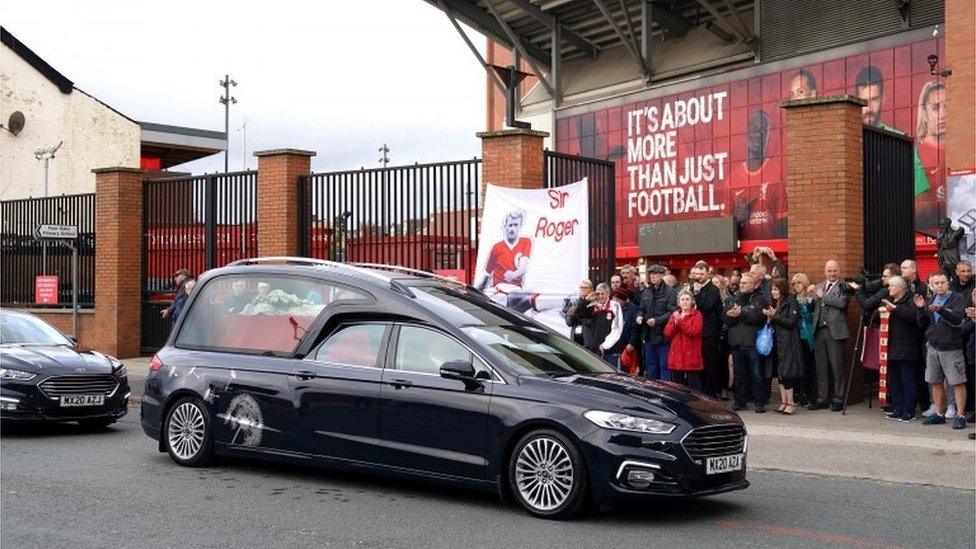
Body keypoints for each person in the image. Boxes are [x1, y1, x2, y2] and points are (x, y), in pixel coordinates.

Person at [920, 272, 969, 429]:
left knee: (957, 382)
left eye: (942, 282)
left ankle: (960, 415)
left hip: (951, 347)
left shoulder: (957, 298)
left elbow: (958, 319)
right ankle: (939, 413)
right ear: (932, 285)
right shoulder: (930, 299)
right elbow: (922, 324)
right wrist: (921, 309)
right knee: (935, 381)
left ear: (948, 283)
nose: (939, 285)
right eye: (936, 283)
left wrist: (941, 310)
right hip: (933, 346)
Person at [881, 276, 926, 422]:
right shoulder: (889, 299)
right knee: (894, 381)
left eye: (892, 286)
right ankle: (897, 408)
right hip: (891, 345)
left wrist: (895, 309)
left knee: (907, 380)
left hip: (907, 347)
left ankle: (909, 411)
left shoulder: (910, 300)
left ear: (900, 288)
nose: (889, 289)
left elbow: (911, 317)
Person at [809, 259, 851, 412]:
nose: (832, 273)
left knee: (837, 366)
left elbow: (842, 303)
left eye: (834, 271)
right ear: (825, 272)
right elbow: (813, 305)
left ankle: (839, 399)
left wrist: (823, 296)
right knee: (821, 367)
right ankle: (822, 398)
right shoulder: (819, 286)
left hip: (836, 332)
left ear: (838, 271)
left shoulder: (844, 286)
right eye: (829, 271)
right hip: (819, 331)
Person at [724, 272, 768, 412]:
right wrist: (735, 315)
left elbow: (758, 316)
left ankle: (759, 402)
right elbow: (726, 317)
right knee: (738, 375)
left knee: (756, 374)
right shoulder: (734, 297)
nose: (741, 285)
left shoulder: (760, 298)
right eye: (741, 282)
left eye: (744, 283)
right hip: (736, 342)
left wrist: (741, 313)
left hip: (752, 342)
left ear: (754, 285)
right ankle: (739, 401)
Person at [764, 278, 804, 415]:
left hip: (788, 342)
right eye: (772, 289)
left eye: (775, 289)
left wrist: (774, 316)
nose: (773, 292)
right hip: (778, 341)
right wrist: (770, 318)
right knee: (780, 373)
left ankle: (791, 403)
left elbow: (791, 322)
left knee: (787, 373)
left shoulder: (791, 301)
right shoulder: (776, 302)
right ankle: (784, 401)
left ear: (782, 289)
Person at [636, 264, 678, 381]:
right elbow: (641, 308)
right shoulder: (647, 292)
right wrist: (639, 316)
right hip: (649, 335)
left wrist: (657, 321)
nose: (653, 276)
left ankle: (665, 393)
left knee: (664, 366)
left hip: (663, 336)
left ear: (662, 275)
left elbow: (672, 312)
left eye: (656, 274)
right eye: (651, 274)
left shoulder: (670, 292)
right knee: (651, 367)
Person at [693, 264, 725, 398]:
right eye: (697, 274)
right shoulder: (693, 287)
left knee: (710, 364)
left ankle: (711, 393)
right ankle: (702, 391)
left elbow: (705, 308)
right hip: (697, 332)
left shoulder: (713, 289)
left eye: (701, 274)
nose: (698, 277)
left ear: (708, 274)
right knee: (699, 364)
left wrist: (697, 294)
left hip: (710, 333)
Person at [664, 290, 704, 388]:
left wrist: (680, 322)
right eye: (682, 299)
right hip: (677, 355)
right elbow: (667, 333)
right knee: (678, 386)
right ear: (679, 302)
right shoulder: (674, 315)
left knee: (694, 386)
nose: (685, 302)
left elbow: (694, 332)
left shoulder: (697, 315)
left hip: (691, 354)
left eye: (687, 299)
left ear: (692, 301)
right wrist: (675, 323)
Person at [791, 273, 816, 406]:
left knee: (808, 367)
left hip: (807, 336)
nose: (796, 286)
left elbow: (812, 318)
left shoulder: (810, 299)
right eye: (794, 284)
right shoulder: (792, 298)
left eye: (799, 283)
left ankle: (806, 394)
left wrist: (804, 308)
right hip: (795, 337)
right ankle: (797, 394)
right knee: (797, 366)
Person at [586, 283, 623, 366]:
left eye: (602, 294)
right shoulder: (592, 305)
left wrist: (605, 345)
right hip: (595, 349)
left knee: (611, 376)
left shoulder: (615, 306)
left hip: (610, 349)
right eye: (598, 294)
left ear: (608, 294)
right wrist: (586, 300)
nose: (600, 296)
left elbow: (617, 329)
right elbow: (579, 314)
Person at [604, 289, 640, 372]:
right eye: (614, 299)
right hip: (613, 344)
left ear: (624, 301)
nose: (615, 301)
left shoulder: (633, 309)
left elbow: (634, 328)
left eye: (617, 299)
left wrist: (632, 343)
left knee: (625, 369)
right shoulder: (611, 308)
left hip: (626, 344)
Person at [565, 279, 595, 346]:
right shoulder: (575, 303)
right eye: (581, 287)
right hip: (575, 338)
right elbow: (569, 322)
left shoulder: (595, 303)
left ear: (591, 289)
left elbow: (595, 322)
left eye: (586, 287)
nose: (583, 289)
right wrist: (572, 315)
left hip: (589, 339)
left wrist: (579, 317)